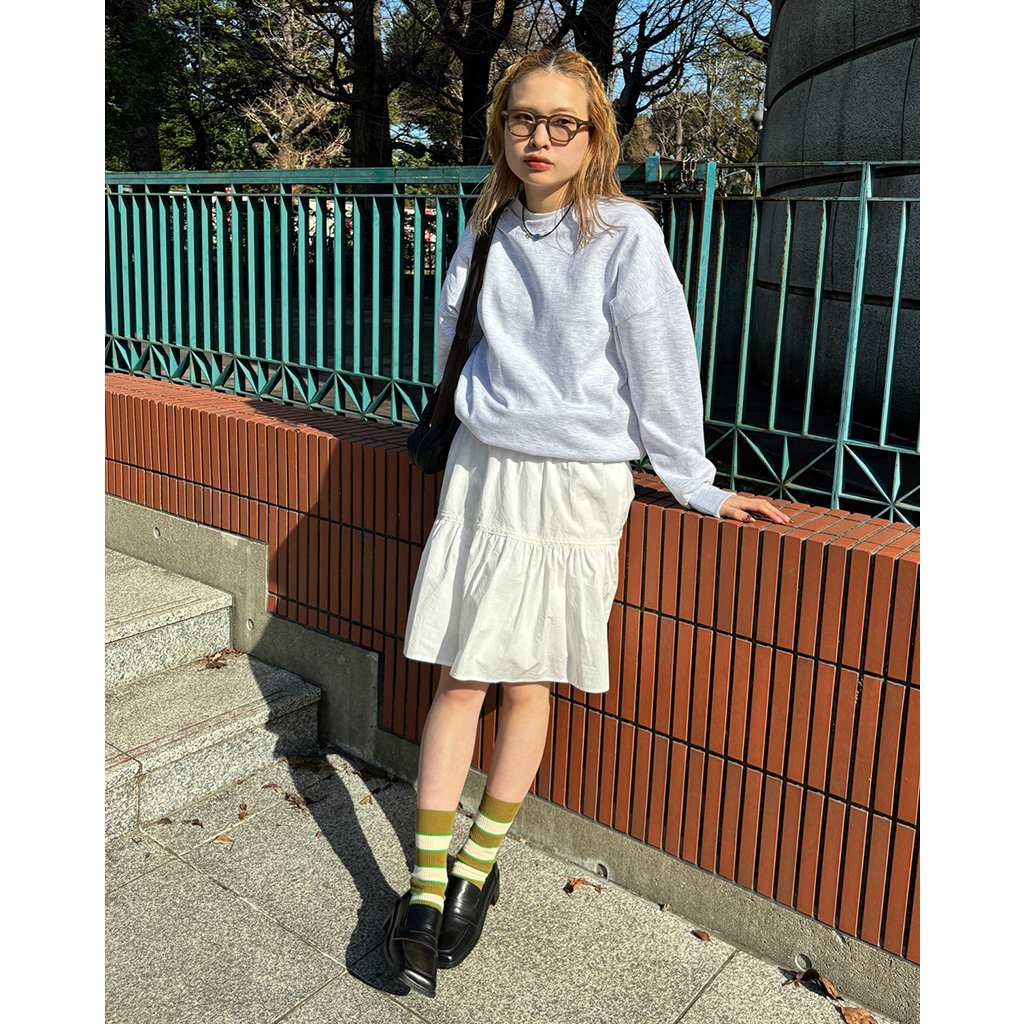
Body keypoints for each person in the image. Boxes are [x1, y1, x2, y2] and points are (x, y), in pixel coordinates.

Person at [381, 47, 790, 998]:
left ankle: (479, 865)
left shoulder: (625, 233)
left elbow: (661, 359)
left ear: (594, 133)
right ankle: (427, 885)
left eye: (563, 122)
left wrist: (694, 481)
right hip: (484, 473)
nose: (541, 138)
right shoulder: (486, 224)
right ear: (501, 127)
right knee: (462, 676)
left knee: (528, 682)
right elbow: (451, 340)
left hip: (578, 485)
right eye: (524, 118)